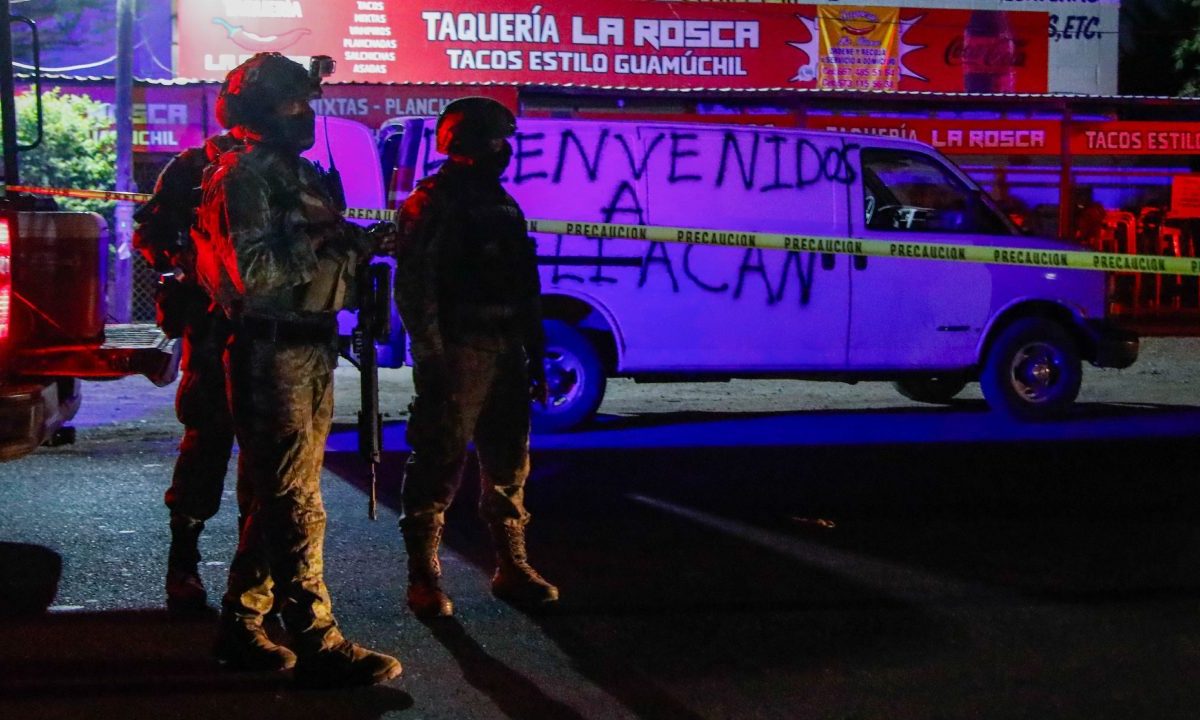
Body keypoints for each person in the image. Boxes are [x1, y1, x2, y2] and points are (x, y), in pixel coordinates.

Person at [193, 52, 401, 686]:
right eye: (293, 104)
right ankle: (316, 637)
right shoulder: (243, 177)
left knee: (274, 496)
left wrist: (361, 243)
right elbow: (253, 274)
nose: (305, 114)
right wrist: (323, 242)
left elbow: (317, 246)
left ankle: (242, 624)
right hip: (270, 348)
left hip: (309, 345)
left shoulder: (295, 172)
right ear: (263, 111)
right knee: (293, 500)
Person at [393, 97, 558, 619]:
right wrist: (432, 357)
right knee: (439, 460)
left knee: (509, 461)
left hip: (506, 347)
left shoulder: (503, 203)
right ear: (465, 142)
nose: (503, 150)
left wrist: (534, 348)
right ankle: (424, 577)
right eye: (493, 140)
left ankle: (512, 566)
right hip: (460, 350)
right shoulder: (431, 203)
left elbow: (523, 280)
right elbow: (415, 290)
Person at [132, 130, 243, 616]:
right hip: (215, 325)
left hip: (275, 329)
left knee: (275, 465)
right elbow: (151, 235)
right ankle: (183, 564)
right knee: (206, 442)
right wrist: (187, 263)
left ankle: (256, 578)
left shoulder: (287, 166)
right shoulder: (195, 165)